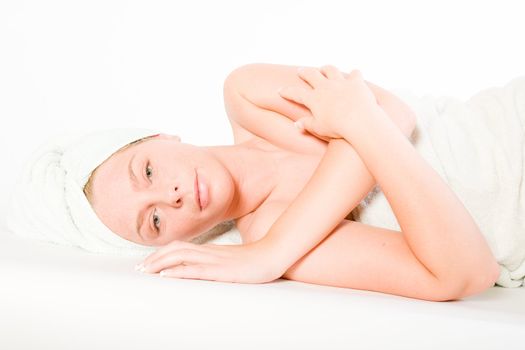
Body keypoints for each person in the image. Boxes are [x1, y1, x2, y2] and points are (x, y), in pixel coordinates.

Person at [9, 63, 522, 301]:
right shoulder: (276, 236)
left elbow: (395, 111)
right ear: (173, 242)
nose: (172, 194)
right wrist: (359, 125)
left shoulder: (249, 98)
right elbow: (464, 273)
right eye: (155, 220)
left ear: (160, 135)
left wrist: (275, 252)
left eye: (146, 169)